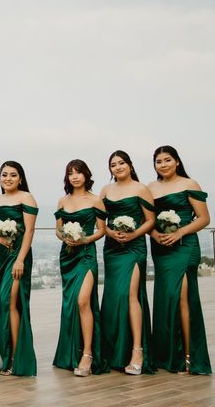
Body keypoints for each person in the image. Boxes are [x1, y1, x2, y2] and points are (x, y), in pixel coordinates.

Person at [148, 145, 212, 374]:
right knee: (166, 299)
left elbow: (204, 218)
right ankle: (167, 356)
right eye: (158, 161)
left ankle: (189, 356)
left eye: (167, 160)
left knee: (183, 297)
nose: (163, 164)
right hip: (161, 248)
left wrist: (179, 232)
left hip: (185, 246)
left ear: (177, 161)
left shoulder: (189, 184)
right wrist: (154, 234)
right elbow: (147, 220)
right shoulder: (151, 188)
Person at [99, 150, 155, 375]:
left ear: (130, 165)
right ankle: (114, 353)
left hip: (134, 248)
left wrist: (132, 235)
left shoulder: (141, 189)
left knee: (130, 295)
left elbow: (150, 221)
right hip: (112, 249)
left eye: (121, 163)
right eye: (113, 164)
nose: (118, 167)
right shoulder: (105, 190)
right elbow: (101, 221)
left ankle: (137, 350)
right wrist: (111, 233)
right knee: (113, 298)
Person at [52, 160, 109, 376]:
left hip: (86, 254)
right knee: (71, 304)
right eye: (70, 173)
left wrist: (84, 240)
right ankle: (70, 351)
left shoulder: (96, 200)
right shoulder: (62, 201)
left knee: (84, 300)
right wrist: (65, 236)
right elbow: (58, 230)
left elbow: (101, 230)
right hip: (67, 256)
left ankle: (87, 354)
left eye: (78, 172)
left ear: (86, 175)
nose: (74, 176)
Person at [0, 161, 38, 376]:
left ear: (20, 178)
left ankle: (15, 357)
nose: (7, 178)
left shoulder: (26, 198)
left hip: (18, 256)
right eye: (4, 175)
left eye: (13, 175)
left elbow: (30, 231)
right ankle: (4, 354)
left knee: (10, 301)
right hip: (0, 258)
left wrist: (20, 260)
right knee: (2, 304)